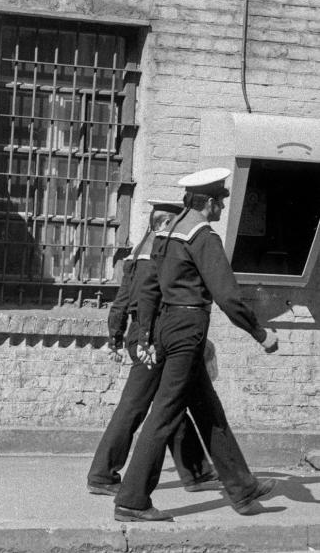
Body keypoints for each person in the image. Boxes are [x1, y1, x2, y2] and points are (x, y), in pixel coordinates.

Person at [113, 168, 280, 522]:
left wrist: (146, 335)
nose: (221, 207)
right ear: (206, 203)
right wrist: (260, 333)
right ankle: (132, 500)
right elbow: (227, 296)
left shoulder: (167, 232)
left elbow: (148, 289)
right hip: (188, 328)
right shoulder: (203, 237)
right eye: (219, 201)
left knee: (207, 409)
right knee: (165, 414)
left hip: (164, 327)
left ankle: (242, 488)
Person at [87, 203, 219, 496]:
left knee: (168, 405)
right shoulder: (156, 254)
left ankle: (196, 472)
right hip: (152, 336)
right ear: (166, 222)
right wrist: (146, 340)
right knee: (139, 407)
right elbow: (149, 301)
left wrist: (116, 336)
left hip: (143, 335)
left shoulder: (137, 253)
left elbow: (122, 301)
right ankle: (102, 475)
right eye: (175, 222)